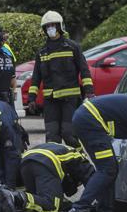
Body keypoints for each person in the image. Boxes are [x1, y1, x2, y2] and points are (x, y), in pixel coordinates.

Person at [28, 11, 94, 148]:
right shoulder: (42, 52)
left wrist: (89, 92)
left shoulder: (72, 47)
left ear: (59, 26)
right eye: (47, 26)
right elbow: (36, 78)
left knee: (69, 134)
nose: (50, 28)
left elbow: (84, 70)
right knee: (52, 137)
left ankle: (79, 161)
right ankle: (55, 167)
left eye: (52, 25)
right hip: (50, 102)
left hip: (70, 100)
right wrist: (31, 98)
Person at [0, 142, 94, 212]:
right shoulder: (81, 158)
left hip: (26, 161)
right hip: (47, 161)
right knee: (52, 206)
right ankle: (15, 197)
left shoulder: (60, 149)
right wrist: (104, 204)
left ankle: (10, 203)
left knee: (38, 201)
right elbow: (94, 180)